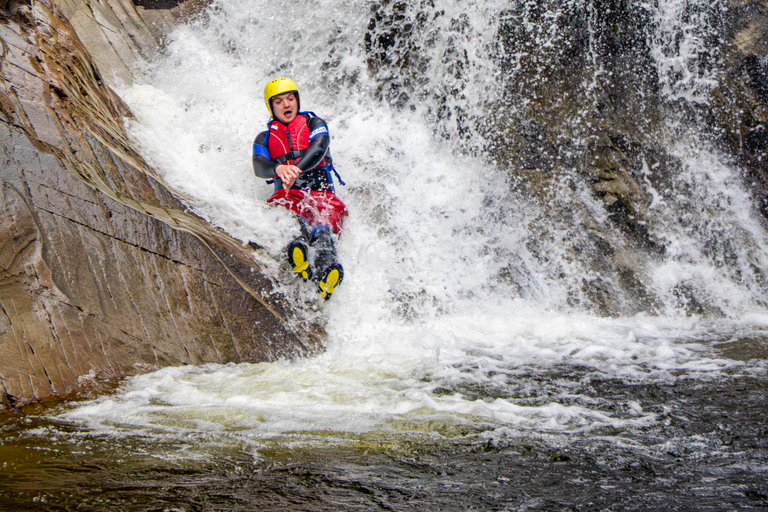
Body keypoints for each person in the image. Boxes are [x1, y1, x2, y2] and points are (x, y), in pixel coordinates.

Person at [252, 77, 347, 299]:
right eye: (279, 101)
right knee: (293, 224)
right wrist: (277, 169)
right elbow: (258, 165)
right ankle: (299, 256)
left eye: (290, 98)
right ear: (271, 107)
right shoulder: (264, 138)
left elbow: (319, 147)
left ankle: (326, 273)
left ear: (297, 100)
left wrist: (296, 168)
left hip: (323, 196)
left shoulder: (315, 124)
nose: (286, 104)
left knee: (323, 231)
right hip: (289, 197)